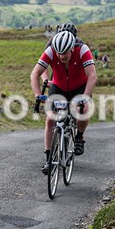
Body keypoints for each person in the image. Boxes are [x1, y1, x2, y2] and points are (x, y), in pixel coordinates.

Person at [30, 30, 97, 174]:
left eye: (65, 53)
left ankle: (79, 137)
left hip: (79, 87)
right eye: (59, 53)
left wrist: (84, 97)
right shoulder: (51, 51)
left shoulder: (82, 50)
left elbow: (92, 76)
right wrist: (37, 95)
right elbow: (35, 73)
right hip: (59, 87)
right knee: (50, 120)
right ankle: (48, 159)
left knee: (84, 111)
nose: (61, 56)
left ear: (72, 48)